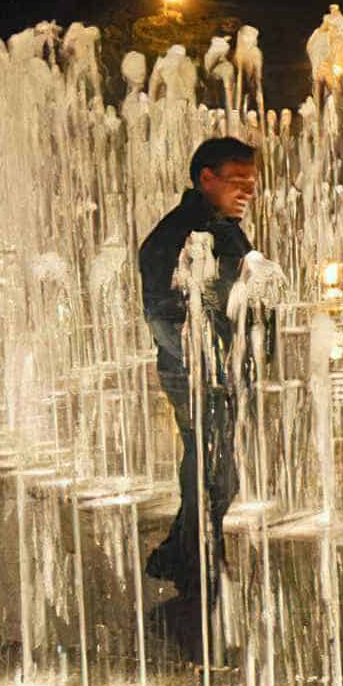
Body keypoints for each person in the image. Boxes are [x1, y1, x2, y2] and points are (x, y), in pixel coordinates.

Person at [138, 136, 261, 644]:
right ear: (205, 178)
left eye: (251, 182)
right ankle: (195, 564)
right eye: (237, 181)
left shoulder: (222, 228)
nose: (247, 191)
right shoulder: (176, 235)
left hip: (221, 371)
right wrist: (206, 363)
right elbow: (161, 312)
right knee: (214, 469)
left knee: (216, 468)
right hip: (195, 374)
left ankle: (182, 553)